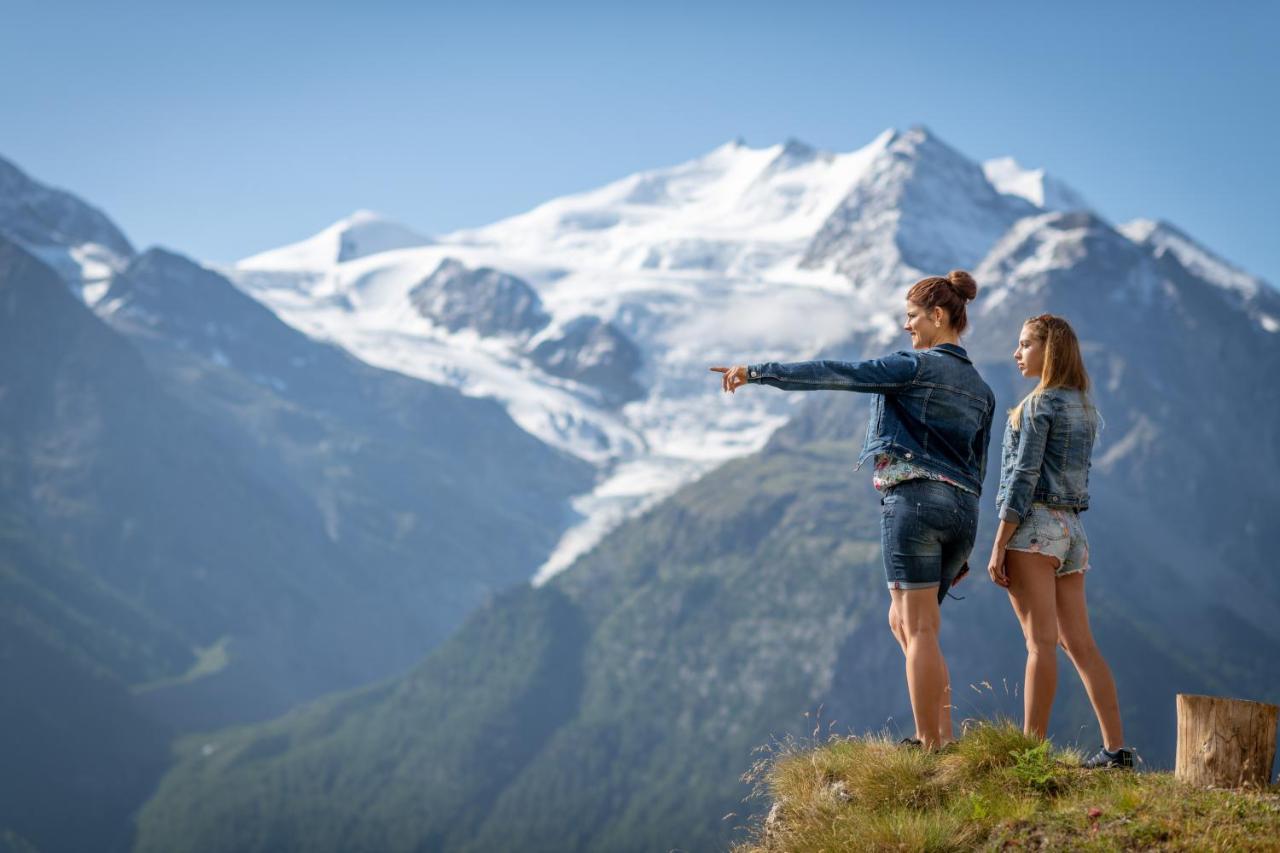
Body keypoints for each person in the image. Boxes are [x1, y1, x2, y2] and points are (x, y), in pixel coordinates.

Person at [712, 270, 994, 750]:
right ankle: (941, 736)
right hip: (962, 513)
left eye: (912, 316)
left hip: (914, 501)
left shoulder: (914, 367)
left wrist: (758, 371)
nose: (907, 326)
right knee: (905, 622)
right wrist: (962, 544)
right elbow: (979, 466)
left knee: (918, 626)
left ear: (938, 316)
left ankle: (933, 745)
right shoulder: (981, 389)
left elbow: (839, 373)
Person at [987, 314, 1132, 769]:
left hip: (1033, 531)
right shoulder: (1084, 408)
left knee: (1040, 645)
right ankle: (1116, 751)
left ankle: (1030, 753)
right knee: (1081, 645)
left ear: (1048, 351)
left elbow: (1023, 477)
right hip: (1074, 533)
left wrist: (998, 542)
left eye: (1026, 344)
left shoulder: (1038, 406)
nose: (1017, 353)